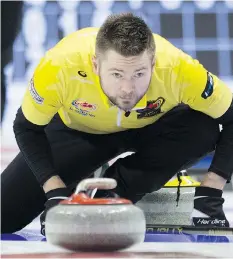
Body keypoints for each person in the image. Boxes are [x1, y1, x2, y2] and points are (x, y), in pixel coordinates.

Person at [1, 13, 232, 236]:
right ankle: (81, 176)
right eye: (117, 74)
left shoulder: (178, 68)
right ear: (95, 65)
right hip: (80, 133)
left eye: (139, 73)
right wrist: (54, 190)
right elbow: (26, 127)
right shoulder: (60, 65)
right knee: (4, 216)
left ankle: (115, 191)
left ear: (153, 63)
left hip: (150, 128)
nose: (127, 89)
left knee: (202, 128)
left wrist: (211, 189)